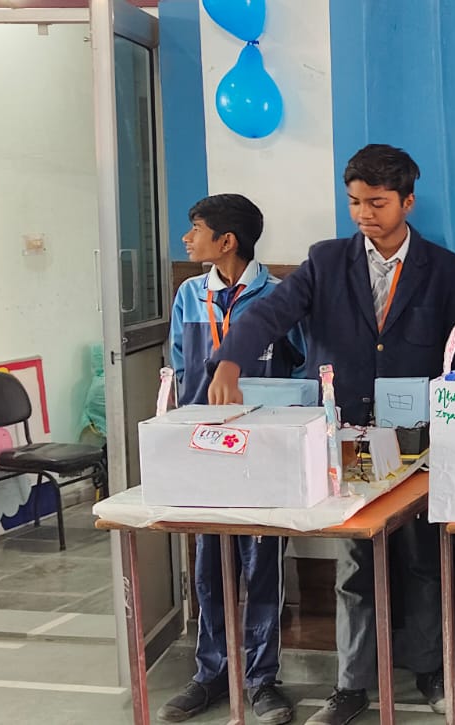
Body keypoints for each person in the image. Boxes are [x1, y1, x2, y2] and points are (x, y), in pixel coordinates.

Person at [209, 144, 455, 725]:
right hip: (347, 439)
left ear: (407, 202)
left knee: (426, 560)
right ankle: (352, 685)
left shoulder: (445, 269)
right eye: (355, 202)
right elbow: (270, 314)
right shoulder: (326, 261)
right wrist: (229, 360)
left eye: (377, 203)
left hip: (422, 440)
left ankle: (433, 670)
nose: (364, 214)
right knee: (356, 565)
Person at [159, 193, 302, 725]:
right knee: (208, 565)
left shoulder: (280, 296)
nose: (186, 238)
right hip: (203, 452)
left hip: (262, 453)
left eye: (195, 228)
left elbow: (302, 366)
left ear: (227, 241)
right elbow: (180, 367)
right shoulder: (188, 295)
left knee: (262, 566)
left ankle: (262, 680)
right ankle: (211, 673)